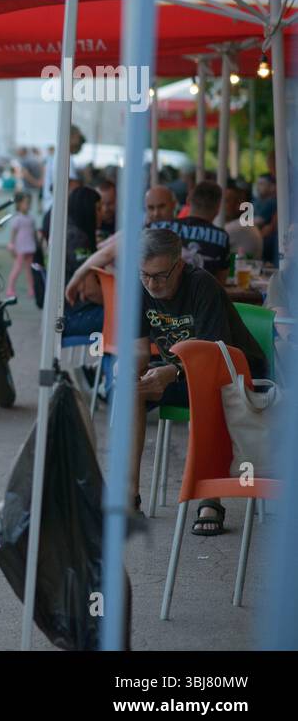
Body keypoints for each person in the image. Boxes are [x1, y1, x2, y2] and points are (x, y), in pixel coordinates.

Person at [133, 227, 267, 530]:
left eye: (159, 276)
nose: (151, 284)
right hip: (183, 372)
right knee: (131, 393)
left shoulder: (201, 285)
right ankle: (129, 499)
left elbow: (213, 358)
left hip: (236, 375)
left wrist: (171, 371)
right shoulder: (138, 287)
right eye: (144, 275)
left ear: (179, 265)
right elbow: (138, 351)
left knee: (203, 392)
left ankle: (210, 499)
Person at [64, 184, 178, 304]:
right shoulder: (77, 237)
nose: (156, 213)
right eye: (150, 208)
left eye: (161, 206)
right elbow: (105, 253)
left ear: (174, 204)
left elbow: (105, 253)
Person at [150, 179, 231, 283]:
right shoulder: (222, 237)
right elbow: (220, 282)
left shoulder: (156, 227)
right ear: (218, 208)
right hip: (202, 296)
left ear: (188, 200)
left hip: (161, 295)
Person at [60, 186, 104, 337]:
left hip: (69, 313)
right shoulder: (77, 238)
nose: (102, 214)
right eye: (98, 209)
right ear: (86, 210)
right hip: (72, 317)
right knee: (131, 320)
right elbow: (90, 290)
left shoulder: (68, 231)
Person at [42, 124, 84, 215]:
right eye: (78, 137)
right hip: (55, 208)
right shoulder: (64, 157)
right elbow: (71, 185)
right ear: (71, 137)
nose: (79, 141)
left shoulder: (62, 155)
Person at [5, 193, 37, 300]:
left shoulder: (31, 218)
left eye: (29, 203)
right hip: (20, 248)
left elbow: (33, 233)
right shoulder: (17, 219)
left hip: (30, 246)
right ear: (19, 204)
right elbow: (13, 233)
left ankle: (32, 288)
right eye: (25, 203)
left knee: (29, 269)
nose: (27, 205)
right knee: (17, 268)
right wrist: (11, 245)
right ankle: (10, 288)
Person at [223, 182, 263, 260]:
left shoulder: (238, 226)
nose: (221, 205)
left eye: (226, 201)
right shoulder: (244, 223)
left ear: (239, 205)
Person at [95, 177, 117, 242]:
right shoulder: (90, 224)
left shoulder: (124, 223)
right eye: (101, 204)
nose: (105, 209)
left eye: (110, 203)